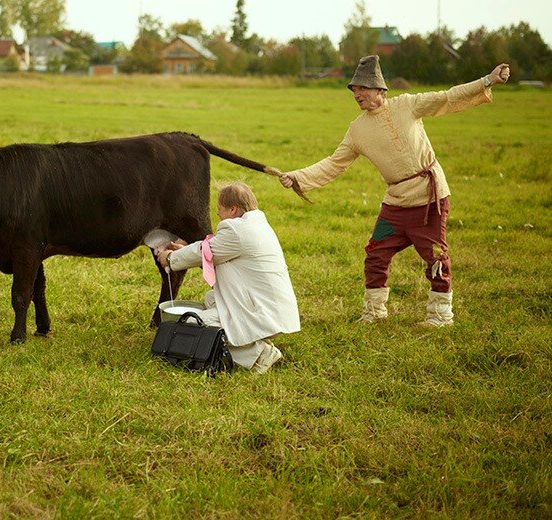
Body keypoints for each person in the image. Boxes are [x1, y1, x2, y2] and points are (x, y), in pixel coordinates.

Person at [279, 55, 511, 328]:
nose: (357, 94)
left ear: (380, 90)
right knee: (376, 253)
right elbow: (334, 163)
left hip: (429, 198)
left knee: (435, 256)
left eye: (363, 88)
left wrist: (488, 80)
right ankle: (374, 312)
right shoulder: (357, 130)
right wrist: (297, 177)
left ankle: (440, 316)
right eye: (354, 90)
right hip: (396, 205)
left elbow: (448, 97)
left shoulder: (408, 105)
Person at [157, 182, 300, 372]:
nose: (217, 214)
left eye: (220, 209)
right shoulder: (255, 226)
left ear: (233, 209)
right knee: (211, 299)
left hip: (258, 310)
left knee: (189, 323)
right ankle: (251, 340)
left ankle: (259, 353)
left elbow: (204, 252)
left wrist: (171, 258)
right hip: (267, 306)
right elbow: (212, 252)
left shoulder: (236, 231)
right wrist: (185, 251)